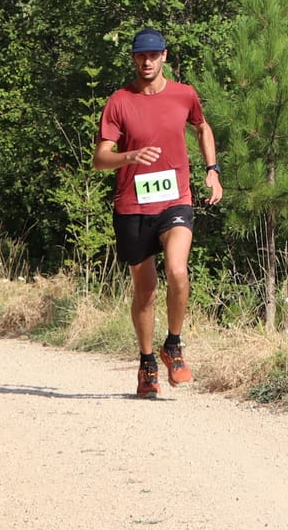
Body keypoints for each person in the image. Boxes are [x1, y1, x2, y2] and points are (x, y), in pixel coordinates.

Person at [93, 27, 222, 397]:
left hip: (174, 200)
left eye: (153, 55)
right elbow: (100, 159)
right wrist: (129, 156)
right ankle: (147, 362)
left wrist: (212, 170)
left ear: (164, 55)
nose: (146, 62)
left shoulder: (184, 94)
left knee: (178, 271)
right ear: (134, 58)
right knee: (146, 290)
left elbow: (202, 127)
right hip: (132, 206)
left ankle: (174, 345)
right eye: (140, 56)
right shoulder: (119, 101)